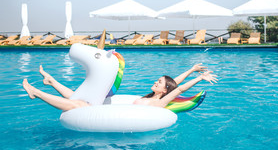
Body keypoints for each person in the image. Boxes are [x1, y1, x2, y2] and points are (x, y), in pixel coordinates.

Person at [22, 63, 218, 111]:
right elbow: (172, 82)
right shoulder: (153, 95)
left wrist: (199, 78)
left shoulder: (160, 103)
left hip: (107, 114)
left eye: (159, 83)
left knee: (79, 105)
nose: (156, 82)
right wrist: (191, 69)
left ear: (164, 91)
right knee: (77, 97)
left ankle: (37, 92)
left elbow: (178, 89)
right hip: (107, 109)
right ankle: (51, 81)